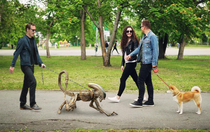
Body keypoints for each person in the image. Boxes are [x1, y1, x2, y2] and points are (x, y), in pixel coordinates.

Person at [9, 22, 46, 110]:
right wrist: (12, 65)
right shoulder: (22, 40)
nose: (34, 31)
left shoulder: (33, 40)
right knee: (33, 82)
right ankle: (33, 104)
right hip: (25, 65)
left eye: (35, 30)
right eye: (33, 30)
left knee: (26, 84)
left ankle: (22, 104)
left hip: (32, 65)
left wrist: (41, 63)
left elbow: (36, 53)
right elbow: (16, 53)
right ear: (27, 30)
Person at [126, 20, 159, 107]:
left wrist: (154, 63)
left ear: (144, 27)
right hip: (144, 62)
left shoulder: (153, 37)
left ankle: (139, 101)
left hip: (148, 63)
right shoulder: (144, 37)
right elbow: (138, 49)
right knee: (148, 81)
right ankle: (150, 101)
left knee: (140, 80)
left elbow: (156, 51)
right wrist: (130, 55)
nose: (141, 28)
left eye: (141, 26)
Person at [108, 26, 139, 102]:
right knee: (136, 79)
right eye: (127, 31)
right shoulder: (125, 41)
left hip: (132, 62)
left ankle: (118, 97)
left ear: (132, 32)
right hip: (127, 63)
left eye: (130, 31)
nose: (129, 33)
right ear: (125, 32)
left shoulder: (134, 41)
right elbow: (124, 53)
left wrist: (130, 56)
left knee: (122, 79)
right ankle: (143, 95)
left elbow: (135, 51)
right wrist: (122, 64)